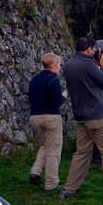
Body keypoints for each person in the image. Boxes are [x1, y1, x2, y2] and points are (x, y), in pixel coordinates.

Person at [60, 37, 103, 203]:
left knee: (81, 153)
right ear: (90, 49)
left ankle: (69, 189)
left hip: (81, 117)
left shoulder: (68, 65)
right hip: (97, 115)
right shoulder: (88, 64)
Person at [28, 53, 64, 191]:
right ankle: (51, 183)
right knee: (53, 151)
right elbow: (58, 101)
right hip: (51, 117)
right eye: (59, 65)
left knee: (44, 145)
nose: (60, 68)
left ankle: (36, 171)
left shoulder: (34, 80)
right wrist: (65, 94)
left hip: (35, 117)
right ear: (54, 65)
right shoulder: (54, 80)